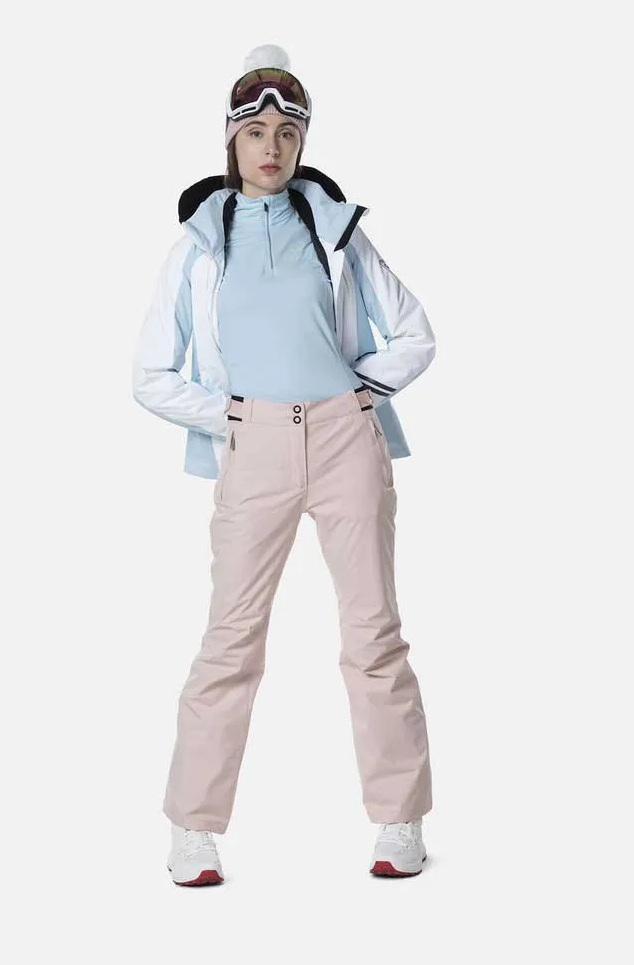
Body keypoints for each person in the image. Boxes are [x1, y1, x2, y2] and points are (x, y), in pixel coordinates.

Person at [132, 45, 436, 885]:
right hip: (253, 446)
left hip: (345, 441)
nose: (272, 147)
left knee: (373, 633)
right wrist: (230, 416)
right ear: (230, 139)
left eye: (288, 134)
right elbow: (151, 373)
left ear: (304, 142)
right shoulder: (199, 245)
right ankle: (193, 829)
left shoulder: (336, 234)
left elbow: (415, 333)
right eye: (256, 132)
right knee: (231, 641)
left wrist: (361, 392)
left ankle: (400, 819)